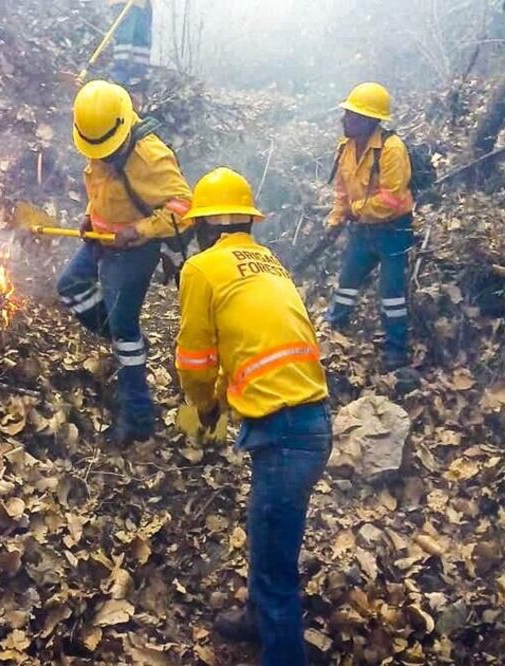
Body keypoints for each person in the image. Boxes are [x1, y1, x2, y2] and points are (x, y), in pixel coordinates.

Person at [175, 167, 331, 665]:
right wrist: (225, 396)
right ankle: (258, 618)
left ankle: (282, 649)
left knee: (275, 568)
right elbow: (246, 348)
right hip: (309, 422)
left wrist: (203, 406)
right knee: (268, 538)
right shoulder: (268, 263)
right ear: (246, 223)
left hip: (285, 432)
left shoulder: (201, 268)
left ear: (203, 226)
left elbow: (195, 360)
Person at [57, 80, 193, 445]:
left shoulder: (151, 157)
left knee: (124, 328)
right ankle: (127, 345)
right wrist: (91, 217)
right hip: (102, 239)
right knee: (70, 287)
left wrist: (141, 229)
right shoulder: (101, 138)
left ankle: (138, 418)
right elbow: (104, 189)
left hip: (134, 251)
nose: (100, 155)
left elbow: (185, 208)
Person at [323, 82, 416, 371]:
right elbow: (342, 190)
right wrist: (336, 218)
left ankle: (396, 351)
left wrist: (356, 211)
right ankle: (334, 329)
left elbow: (391, 198)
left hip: (393, 232)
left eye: (352, 115)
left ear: (370, 120)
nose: (345, 119)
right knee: (347, 282)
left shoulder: (392, 149)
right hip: (362, 230)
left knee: (391, 293)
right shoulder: (346, 147)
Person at [107, 0, 152, 92]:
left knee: (142, 41)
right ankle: (118, 76)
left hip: (142, 4)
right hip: (123, 3)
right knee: (124, 38)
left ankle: (138, 76)